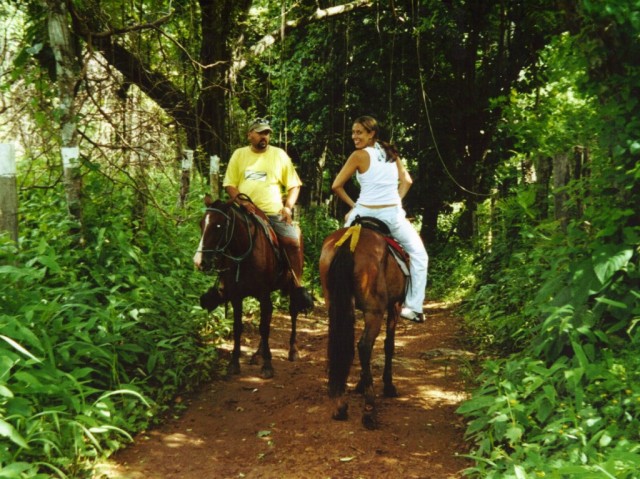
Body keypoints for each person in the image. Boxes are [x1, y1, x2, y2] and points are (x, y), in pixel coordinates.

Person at [331, 115, 428, 323]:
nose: (354, 137)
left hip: (362, 212)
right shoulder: (391, 153)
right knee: (419, 256)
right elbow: (407, 181)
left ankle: (332, 298)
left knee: (337, 252)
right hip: (391, 215)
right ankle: (413, 307)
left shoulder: (358, 155)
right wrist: (396, 201)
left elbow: (336, 186)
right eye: (353, 132)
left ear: (371, 133)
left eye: (359, 132)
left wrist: (354, 206)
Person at [223, 117, 314, 312]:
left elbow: (294, 185)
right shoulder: (239, 155)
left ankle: (296, 286)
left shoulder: (279, 155)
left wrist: (288, 207)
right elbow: (230, 184)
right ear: (250, 135)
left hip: (272, 213)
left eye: (267, 133)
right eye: (260, 133)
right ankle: (222, 285)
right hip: (244, 212)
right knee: (222, 237)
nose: (264, 137)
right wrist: (242, 201)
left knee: (293, 240)